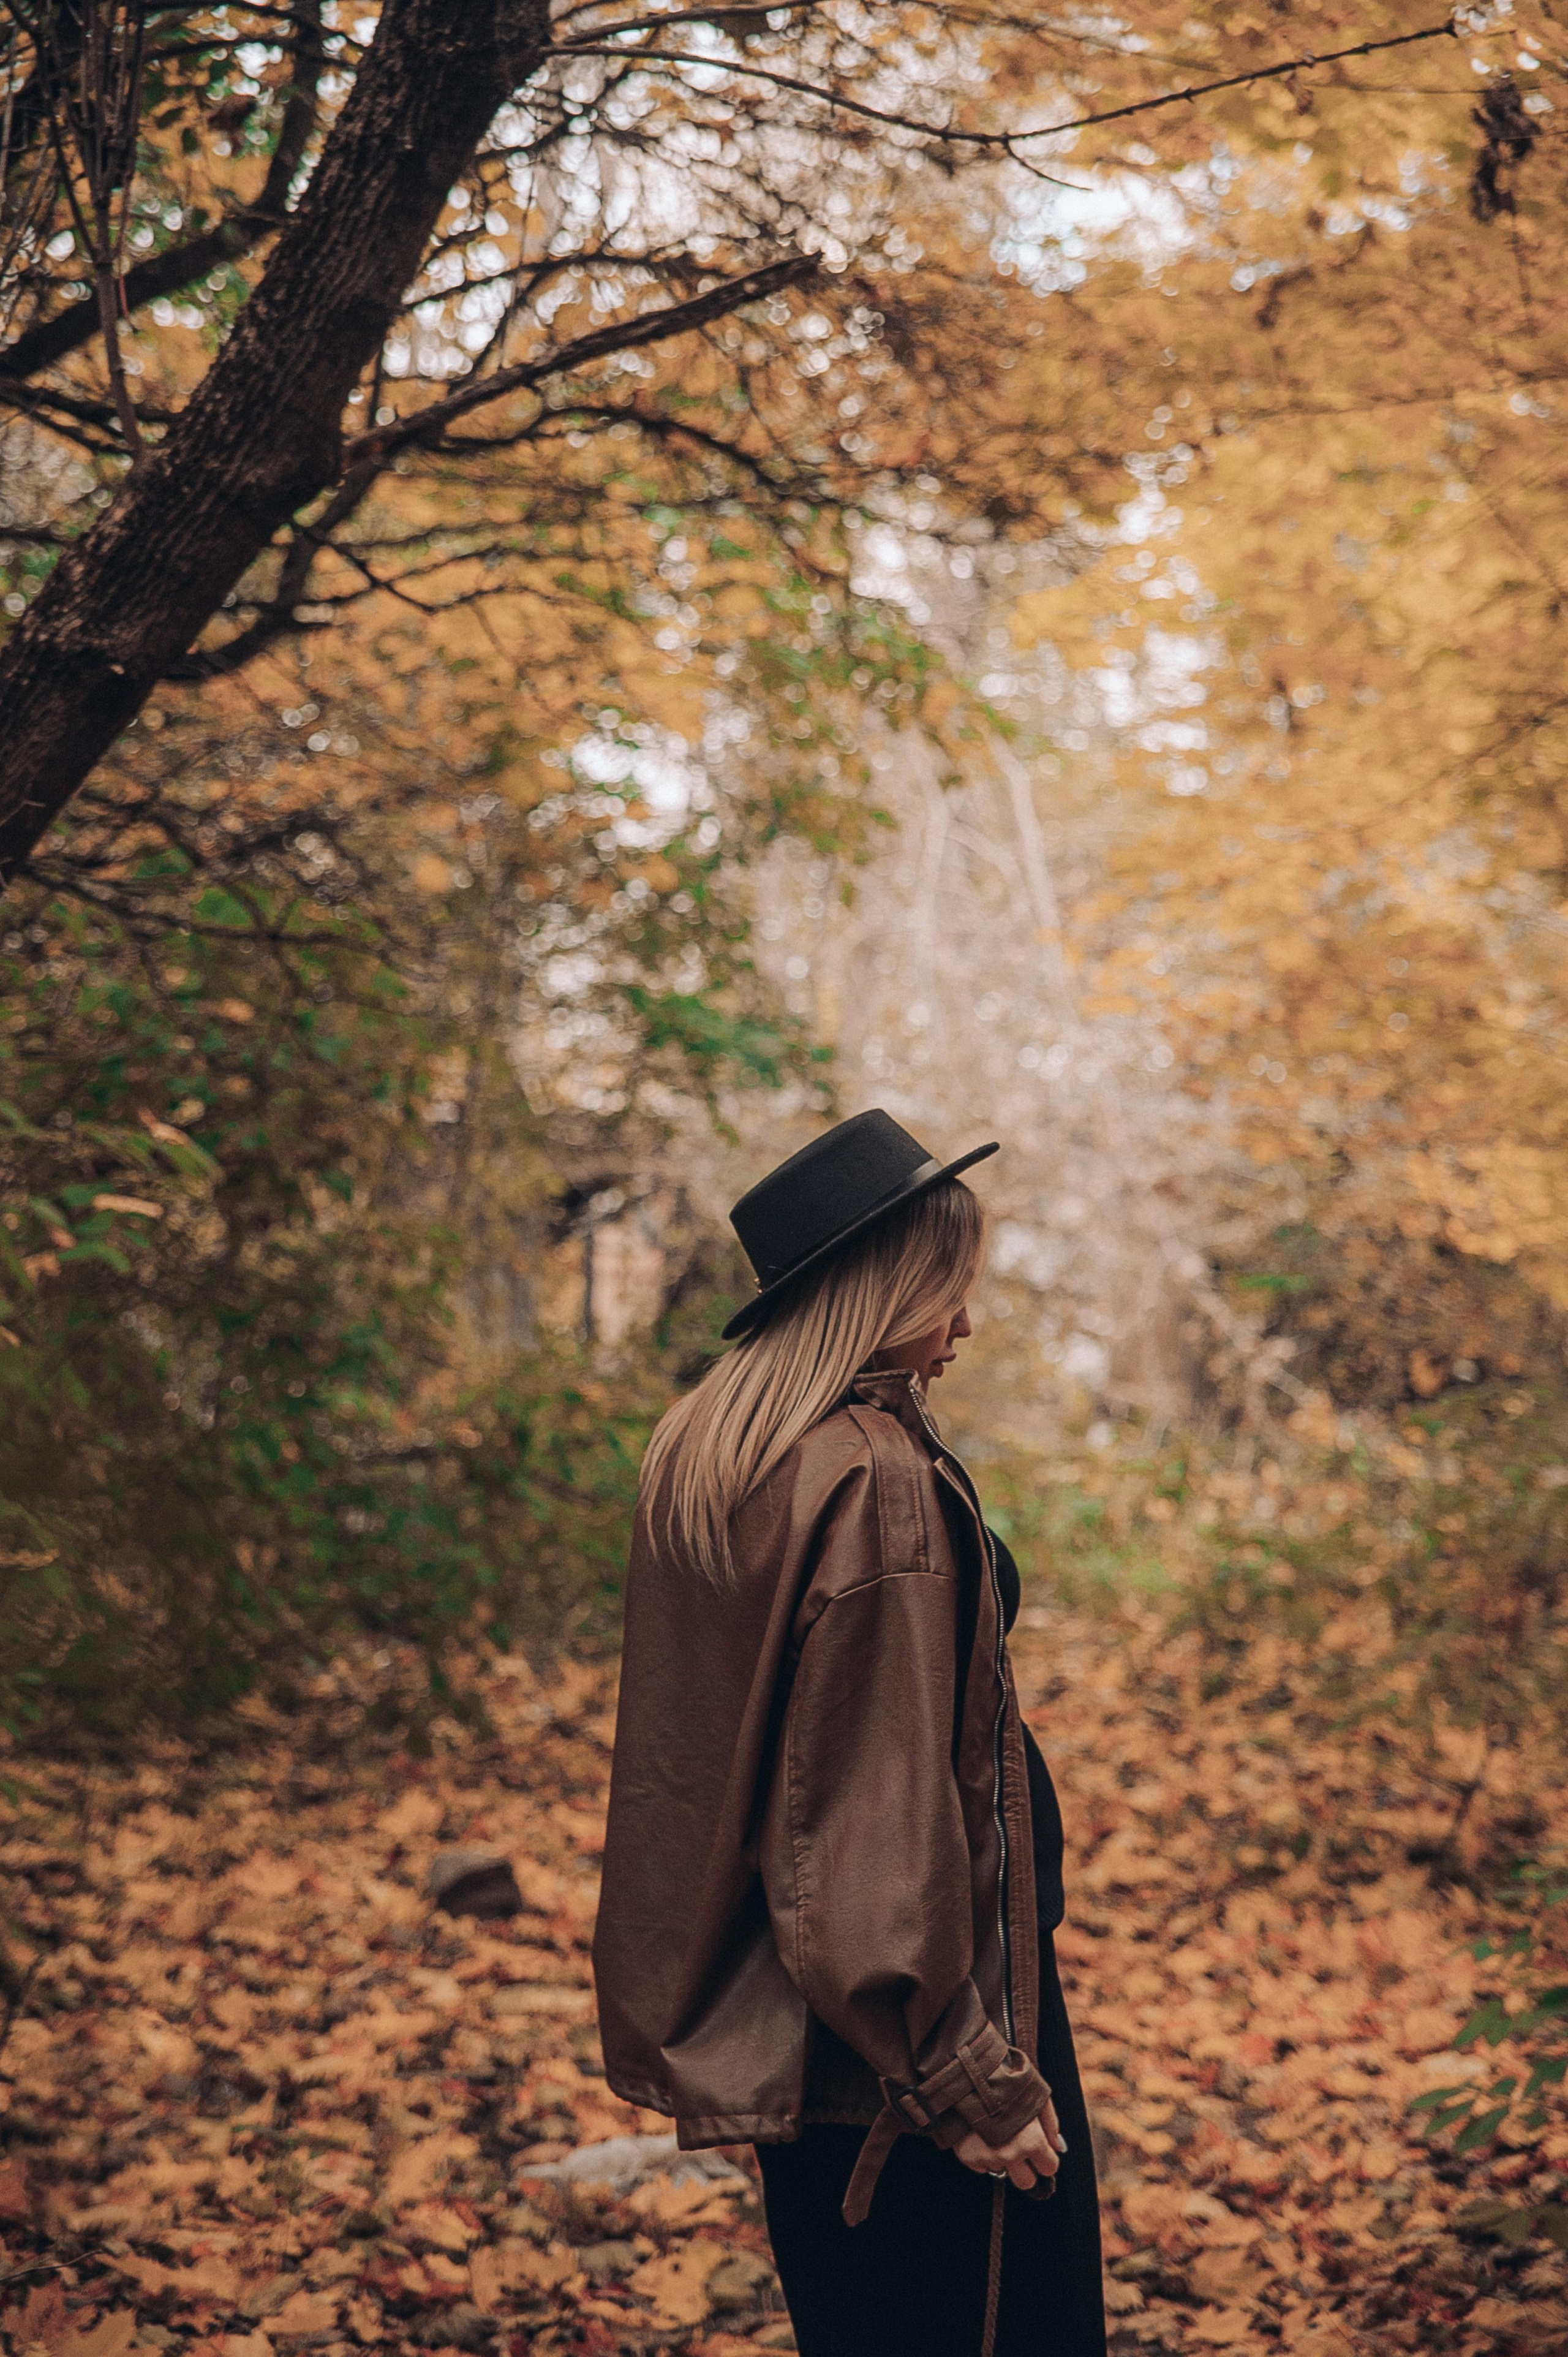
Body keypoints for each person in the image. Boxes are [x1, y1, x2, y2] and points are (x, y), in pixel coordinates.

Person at [593, 1110, 1106, 2357]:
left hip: (804, 2027)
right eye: (949, 1288)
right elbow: (858, 1822)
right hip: (915, 2035)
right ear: (876, 1290)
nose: (966, 1322)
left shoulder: (715, 1447)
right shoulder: (868, 1481)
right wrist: (968, 2078)